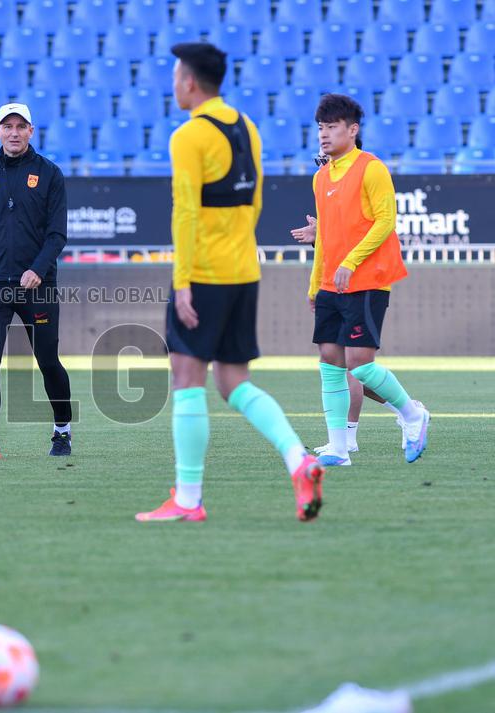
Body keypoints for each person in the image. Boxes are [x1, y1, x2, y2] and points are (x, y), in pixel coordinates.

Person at [136, 43, 324, 524]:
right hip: (244, 269)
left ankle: (189, 499)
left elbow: (186, 213)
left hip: (204, 274)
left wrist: (182, 281)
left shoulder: (189, 136)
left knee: (186, 378)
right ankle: (298, 459)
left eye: (177, 76)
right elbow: (256, 201)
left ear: (191, 83)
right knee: (234, 381)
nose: (174, 83)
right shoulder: (249, 127)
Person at [306, 93, 429, 467]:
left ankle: (412, 414)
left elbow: (385, 222)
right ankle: (339, 449)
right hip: (331, 282)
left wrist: (351, 260)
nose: (324, 136)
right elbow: (324, 235)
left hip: (368, 278)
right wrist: (315, 283)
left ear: (352, 130)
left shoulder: (372, 168)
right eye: (321, 129)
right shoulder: (320, 176)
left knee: (360, 363)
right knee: (330, 361)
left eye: (332, 128)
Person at [0, 102, 72, 460]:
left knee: (47, 359)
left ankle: (62, 431)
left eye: (20, 126)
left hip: (36, 285)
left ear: (31, 131)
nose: (13, 132)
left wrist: (38, 269)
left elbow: (57, 234)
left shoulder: (50, 174)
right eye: (6, 126)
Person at [291, 214, 421, 456]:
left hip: (363, 283)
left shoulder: (366, 181)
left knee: (355, 367)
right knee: (341, 366)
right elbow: (340, 241)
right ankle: (405, 412)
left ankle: (354, 436)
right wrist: (320, 237)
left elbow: (371, 230)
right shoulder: (325, 182)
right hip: (335, 287)